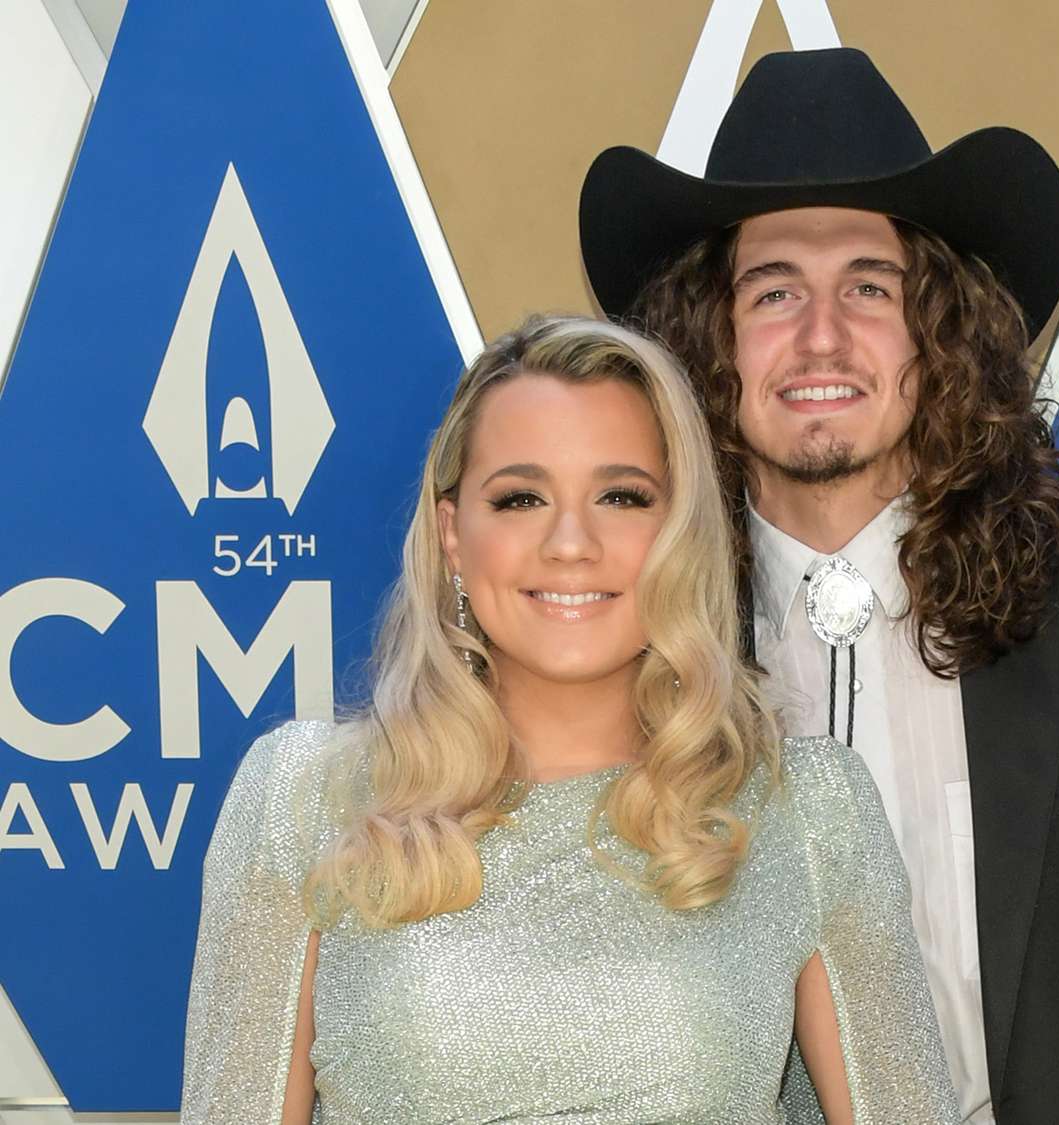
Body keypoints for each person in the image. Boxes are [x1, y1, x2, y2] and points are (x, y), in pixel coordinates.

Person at [579, 47, 1059, 1124]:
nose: (821, 337)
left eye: (869, 287)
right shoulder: (616, 627)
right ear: (710, 340)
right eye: (774, 290)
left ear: (940, 329)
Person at [180, 315, 959, 1123]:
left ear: (679, 528)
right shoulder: (302, 798)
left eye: (621, 496)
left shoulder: (805, 813)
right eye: (520, 498)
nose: (570, 543)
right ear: (453, 532)